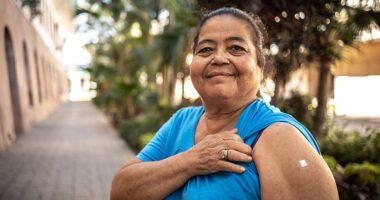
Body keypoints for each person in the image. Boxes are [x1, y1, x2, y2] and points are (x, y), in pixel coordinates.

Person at [111, 7, 339, 200]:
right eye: (205, 49)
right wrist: (193, 160)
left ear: (260, 67)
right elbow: (121, 191)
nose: (218, 58)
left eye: (236, 48)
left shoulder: (279, 136)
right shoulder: (182, 121)